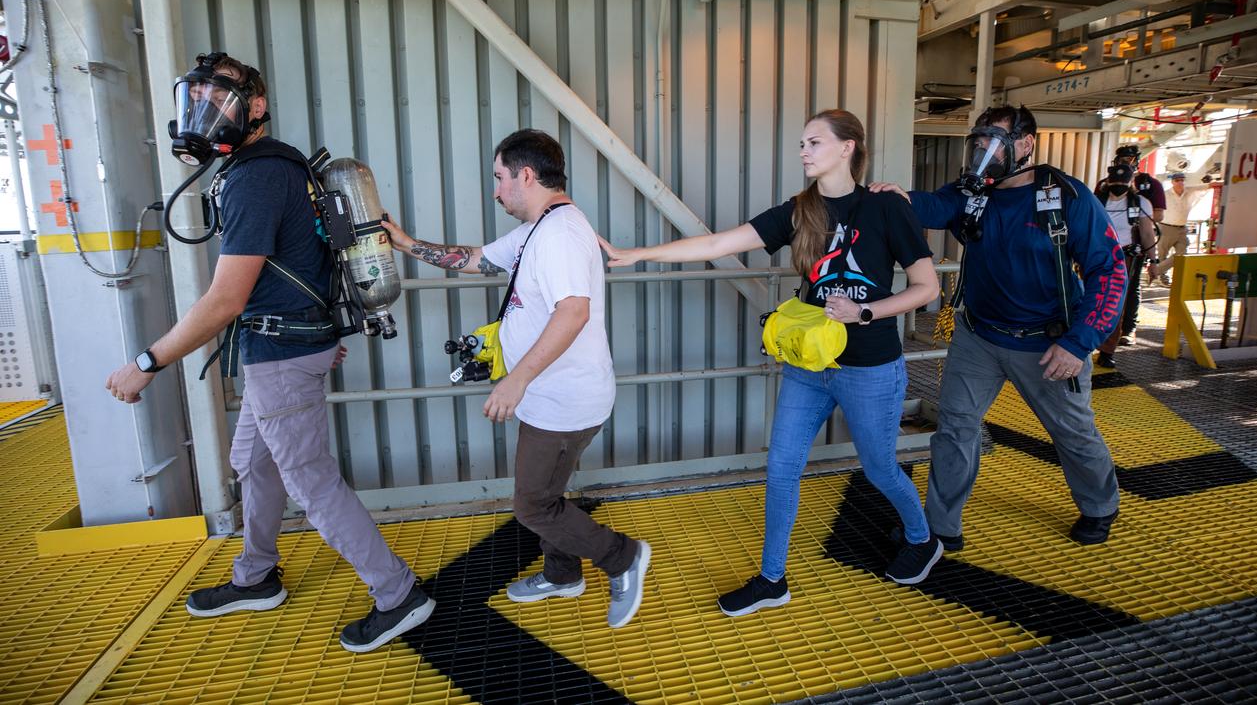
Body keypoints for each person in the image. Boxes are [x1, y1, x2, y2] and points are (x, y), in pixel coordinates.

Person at [105, 52, 434, 654]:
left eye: (219, 100)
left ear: (254, 108)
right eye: (196, 100)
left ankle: (398, 594)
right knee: (253, 463)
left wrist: (146, 364)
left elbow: (226, 299)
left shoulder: (257, 175)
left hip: (279, 352)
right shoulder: (268, 168)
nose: (203, 114)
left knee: (309, 480)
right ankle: (255, 578)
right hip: (280, 347)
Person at [600, 109, 942, 618]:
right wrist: (636, 253)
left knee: (879, 468)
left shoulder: (886, 209)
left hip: (869, 367)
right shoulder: (798, 210)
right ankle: (771, 578)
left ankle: (922, 538)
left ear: (848, 148)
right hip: (809, 364)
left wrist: (865, 310)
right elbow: (719, 243)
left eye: (814, 142)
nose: (803, 151)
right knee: (781, 467)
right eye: (801, 143)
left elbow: (927, 288)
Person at [381, 129, 652, 629]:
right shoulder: (540, 227)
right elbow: (477, 259)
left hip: (562, 400)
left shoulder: (561, 235)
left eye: (499, 178)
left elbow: (572, 313)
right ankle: (561, 573)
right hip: (551, 396)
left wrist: (517, 380)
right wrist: (405, 244)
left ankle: (623, 558)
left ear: (526, 175)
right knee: (548, 490)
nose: (496, 191)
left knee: (532, 504)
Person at [871, 105, 1124, 547]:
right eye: (980, 140)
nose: (983, 149)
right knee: (955, 428)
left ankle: (1101, 505)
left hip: (1048, 344)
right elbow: (935, 206)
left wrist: (1079, 343)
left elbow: (1109, 271)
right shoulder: (975, 193)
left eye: (995, 140)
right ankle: (941, 527)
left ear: (1024, 144)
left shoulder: (1067, 197)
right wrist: (900, 197)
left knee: (1073, 432)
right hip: (979, 336)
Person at [1094, 164, 1157, 368]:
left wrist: (1153, 261)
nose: (1119, 185)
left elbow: (1148, 234)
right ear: (1108, 181)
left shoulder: (1140, 203)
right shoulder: (1096, 201)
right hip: (1097, 256)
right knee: (1091, 299)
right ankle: (1086, 343)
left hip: (1124, 257)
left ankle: (1107, 349)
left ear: (1130, 182)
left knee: (1115, 303)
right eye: (1116, 181)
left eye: (1123, 182)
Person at [1153, 171, 1208, 286]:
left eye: (1182, 180)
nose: (1180, 182)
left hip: (1181, 228)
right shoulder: (1165, 194)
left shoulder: (1190, 191)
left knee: (1181, 254)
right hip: (1166, 227)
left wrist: (1225, 182)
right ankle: (1163, 278)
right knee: (1163, 254)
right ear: (1172, 182)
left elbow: (1208, 186)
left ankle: (1156, 271)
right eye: (1177, 180)